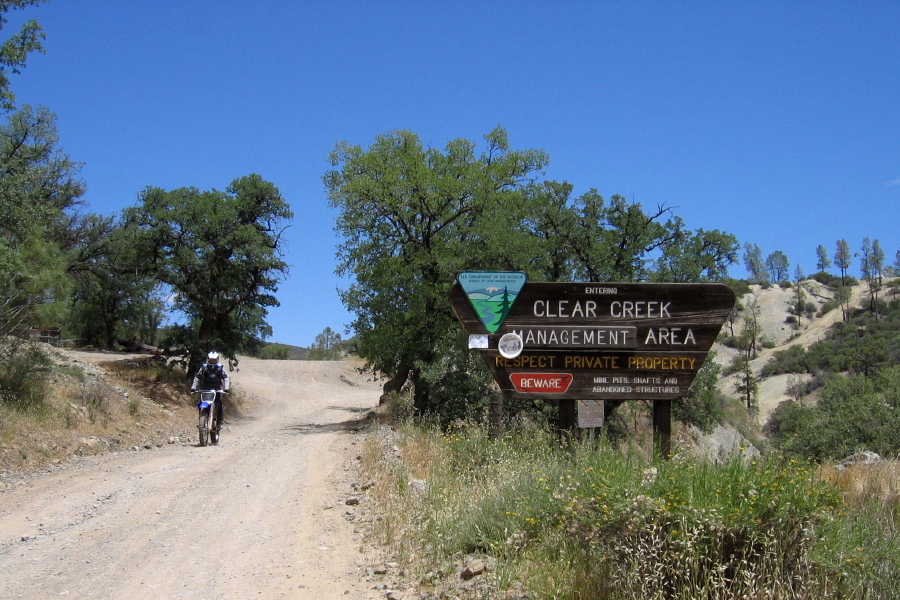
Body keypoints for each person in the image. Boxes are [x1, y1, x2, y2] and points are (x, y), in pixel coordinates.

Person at [191, 351, 230, 429]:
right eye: (211, 360)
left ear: (217, 359)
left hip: (217, 389)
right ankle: (201, 421)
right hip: (206, 389)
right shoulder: (204, 367)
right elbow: (198, 377)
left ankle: (219, 423)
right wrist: (193, 387)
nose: (212, 362)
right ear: (208, 359)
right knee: (201, 404)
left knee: (219, 405)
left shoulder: (220, 367)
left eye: (214, 360)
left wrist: (226, 388)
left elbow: (225, 377)